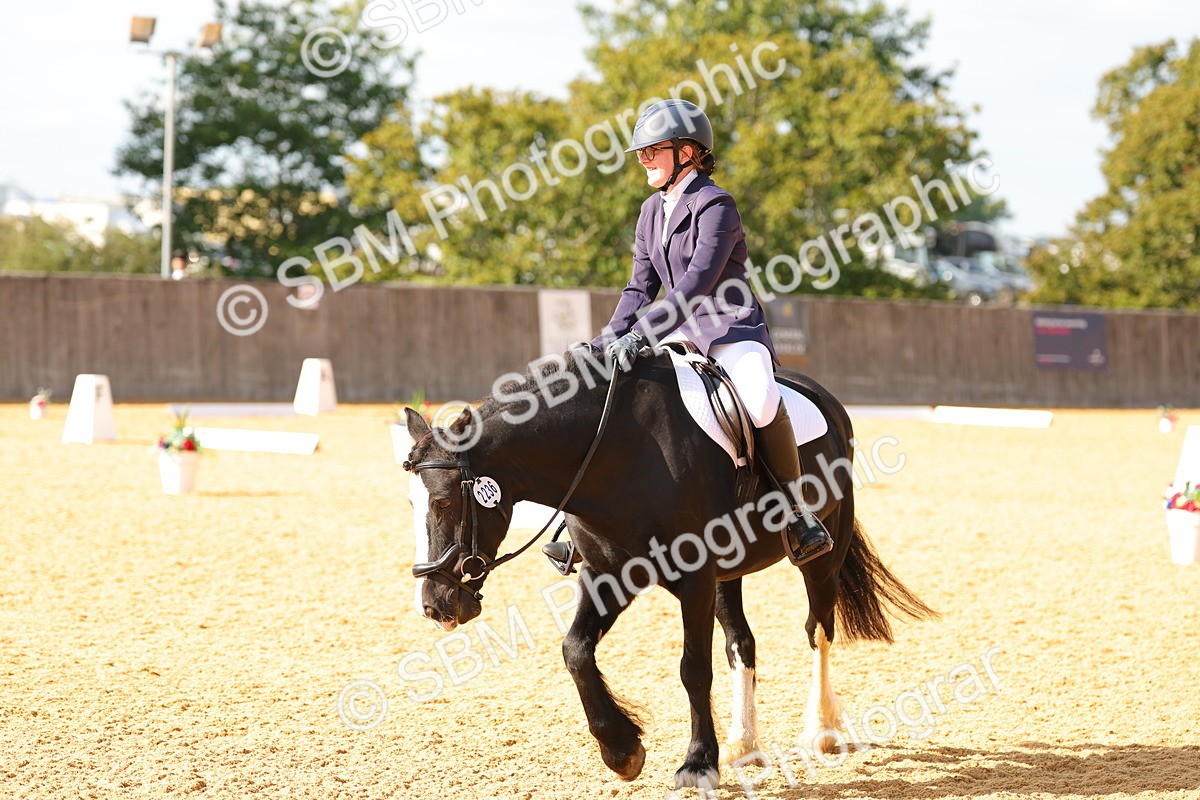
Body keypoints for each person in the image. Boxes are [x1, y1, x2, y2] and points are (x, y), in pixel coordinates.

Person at [544, 99, 833, 571]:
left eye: (653, 151)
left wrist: (645, 333)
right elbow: (640, 287)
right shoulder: (649, 212)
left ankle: (797, 513)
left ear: (688, 152)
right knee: (619, 391)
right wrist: (604, 343)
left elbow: (696, 282)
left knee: (759, 398)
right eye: (640, 153)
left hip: (729, 326)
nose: (644, 161)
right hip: (678, 331)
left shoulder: (716, 205)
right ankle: (579, 528)